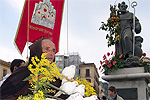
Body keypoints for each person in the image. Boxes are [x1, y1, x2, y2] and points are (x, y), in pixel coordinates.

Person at [0, 38, 69, 99]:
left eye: (53, 50)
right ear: (37, 51)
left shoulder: (53, 78)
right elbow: (3, 95)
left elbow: (60, 95)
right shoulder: (22, 73)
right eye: (47, 49)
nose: (51, 53)